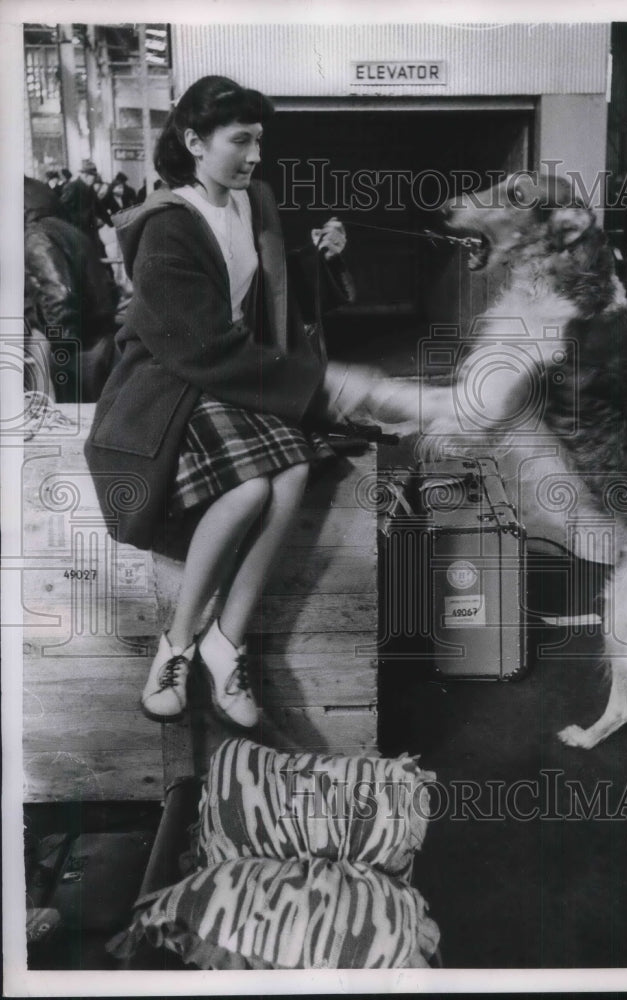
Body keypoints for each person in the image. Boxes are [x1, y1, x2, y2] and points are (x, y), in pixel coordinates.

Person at [85, 76, 353, 730]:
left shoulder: (252, 200)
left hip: (229, 373)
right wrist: (318, 389)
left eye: (260, 139)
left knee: (292, 470)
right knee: (245, 493)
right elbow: (197, 347)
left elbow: (271, 292)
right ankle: (175, 646)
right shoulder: (167, 223)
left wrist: (315, 257)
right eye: (241, 140)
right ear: (193, 140)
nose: (256, 153)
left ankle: (225, 642)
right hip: (170, 381)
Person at [24, 177, 118, 402]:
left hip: (79, 349)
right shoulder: (65, 229)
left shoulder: (36, 236)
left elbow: (59, 296)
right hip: (99, 340)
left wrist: (60, 348)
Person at [59, 158, 113, 256]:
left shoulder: (90, 189)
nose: (93, 179)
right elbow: (63, 210)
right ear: (84, 175)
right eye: (91, 176)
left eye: (94, 176)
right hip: (77, 232)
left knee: (100, 253)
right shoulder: (72, 187)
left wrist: (112, 222)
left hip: (90, 231)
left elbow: (99, 208)